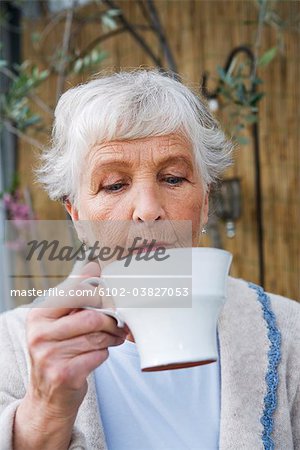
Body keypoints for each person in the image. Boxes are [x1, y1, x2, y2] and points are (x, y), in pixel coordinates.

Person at [0, 69, 299, 450]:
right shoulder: (10, 348)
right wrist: (44, 412)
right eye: (114, 184)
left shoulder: (290, 335)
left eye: (173, 178)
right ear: (76, 216)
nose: (148, 210)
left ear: (205, 203)